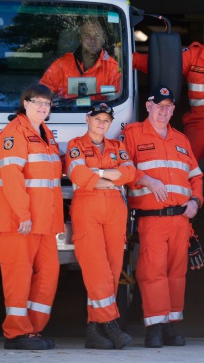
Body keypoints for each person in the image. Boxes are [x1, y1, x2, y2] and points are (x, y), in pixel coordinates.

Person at [133, 16, 204, 221]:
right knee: (180, 161)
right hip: (198, 121)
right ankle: (181, 204)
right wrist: (129, 59)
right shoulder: (193, 55)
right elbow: (163, 66)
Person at [121, 85, 204, 348]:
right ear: (148, 106)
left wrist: (196, 201)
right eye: (159, 106)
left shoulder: (181, 139)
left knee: (176, 275)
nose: (164, 111)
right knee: (152, 273)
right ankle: (154, 328)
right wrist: (145, 179)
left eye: (168, 107)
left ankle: (170, 326)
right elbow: (123, 167)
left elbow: (196, 177)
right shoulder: (132, 134)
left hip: (181, 219)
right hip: (151, 217)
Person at [0, 83, 63, 350]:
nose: (43, 107)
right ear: (25, 103)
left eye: (47, 104)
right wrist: (23, 214)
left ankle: (33, 330)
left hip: (44, 222)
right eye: (38, 102)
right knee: (18, 275)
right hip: (19, 221)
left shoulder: (46, 135)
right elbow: (11, 177)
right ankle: (16, 332)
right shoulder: (14, 132)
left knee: (49, 272)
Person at [66, 102, 137, 350]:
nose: (101, 123)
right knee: (98, 271)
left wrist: (97, 174)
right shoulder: (76, 145)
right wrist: (111, 177)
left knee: (113, 270)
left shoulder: (118, 146)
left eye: (106, 120)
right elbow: (79, 175)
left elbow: (130, 174)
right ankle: (111, 324)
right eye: (97, 119)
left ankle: (94, 331)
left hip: (115, 211)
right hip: (87, 209)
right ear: (88, 119)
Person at [41, 18, 122, 100]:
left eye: (97, 36)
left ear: (103, 39)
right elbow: (41, 97)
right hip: (66, 112)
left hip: (99, 112)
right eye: (87, 35)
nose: (92, 40)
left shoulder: (113, 69)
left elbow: (117, 105)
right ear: (80, 38)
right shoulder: (60, 66)